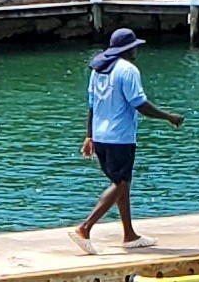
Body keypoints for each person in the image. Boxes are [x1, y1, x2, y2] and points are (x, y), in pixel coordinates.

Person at [70, 28, 183, 254]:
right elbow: (139, 104)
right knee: (120, 184)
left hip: (101, 136)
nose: (136, 50)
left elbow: (92, 106)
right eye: (134, 46)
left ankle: (129, 235)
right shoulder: (128, 70)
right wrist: (169, 117)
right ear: (128, 49)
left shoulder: (98, 70)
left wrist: (89, 135)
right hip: (119, 137)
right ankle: (84, 228)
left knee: (124, 185)